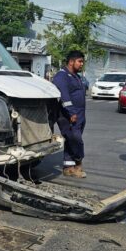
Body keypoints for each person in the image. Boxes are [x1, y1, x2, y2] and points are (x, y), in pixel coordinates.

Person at [52, 50, 87, 178]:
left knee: (71, 141)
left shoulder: (75, 76)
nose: (82, 64)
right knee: (76, 140)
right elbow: (64, 97)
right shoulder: (62, 76)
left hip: (79, 115)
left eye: (82, 61)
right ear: (71, 61)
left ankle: (68, 168)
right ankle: (78, 164)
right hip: (68, 116)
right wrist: (72, 113)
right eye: (80, 61)